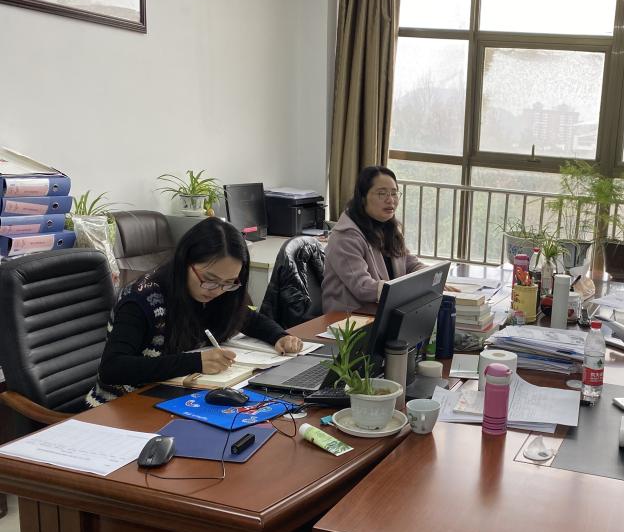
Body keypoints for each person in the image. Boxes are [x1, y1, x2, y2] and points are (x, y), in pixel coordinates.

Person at [86, 218, 303, 407]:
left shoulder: (219, 292)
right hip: (122, 406)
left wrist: (279, 336)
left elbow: (248, 319)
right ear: (185, 262)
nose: (217, 290)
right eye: (209, 280)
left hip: (178, 396)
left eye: (229, 282)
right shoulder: (142, 298)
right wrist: (195, 362)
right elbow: (113, 367)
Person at [322, 165, 425, 312]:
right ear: (363, 198)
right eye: (382, 194)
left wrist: (428, 275)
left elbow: (407, 262)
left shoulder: (388, 227)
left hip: (384, 312)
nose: (391, 200)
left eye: (394, 193)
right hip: (350, 318)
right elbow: (362, 286)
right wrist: (404, 290)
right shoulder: (345, 237)